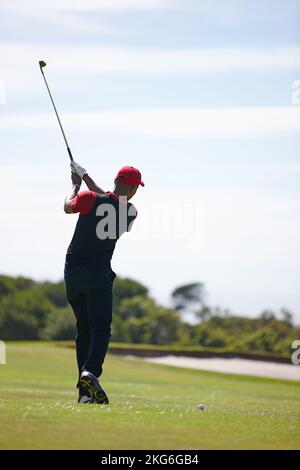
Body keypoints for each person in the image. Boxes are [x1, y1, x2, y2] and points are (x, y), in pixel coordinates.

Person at [64, 161, 144, 404]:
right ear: (132, 190)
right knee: (101, 329)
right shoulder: (130, 212)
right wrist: (85, 175)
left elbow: (69, 207)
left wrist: (76, 186)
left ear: (116, 181)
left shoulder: (88, 199)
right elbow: (108, 200)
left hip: (73, 273)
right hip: (99, 274)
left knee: (84, 330)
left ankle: (84, 394)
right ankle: (91, 373)